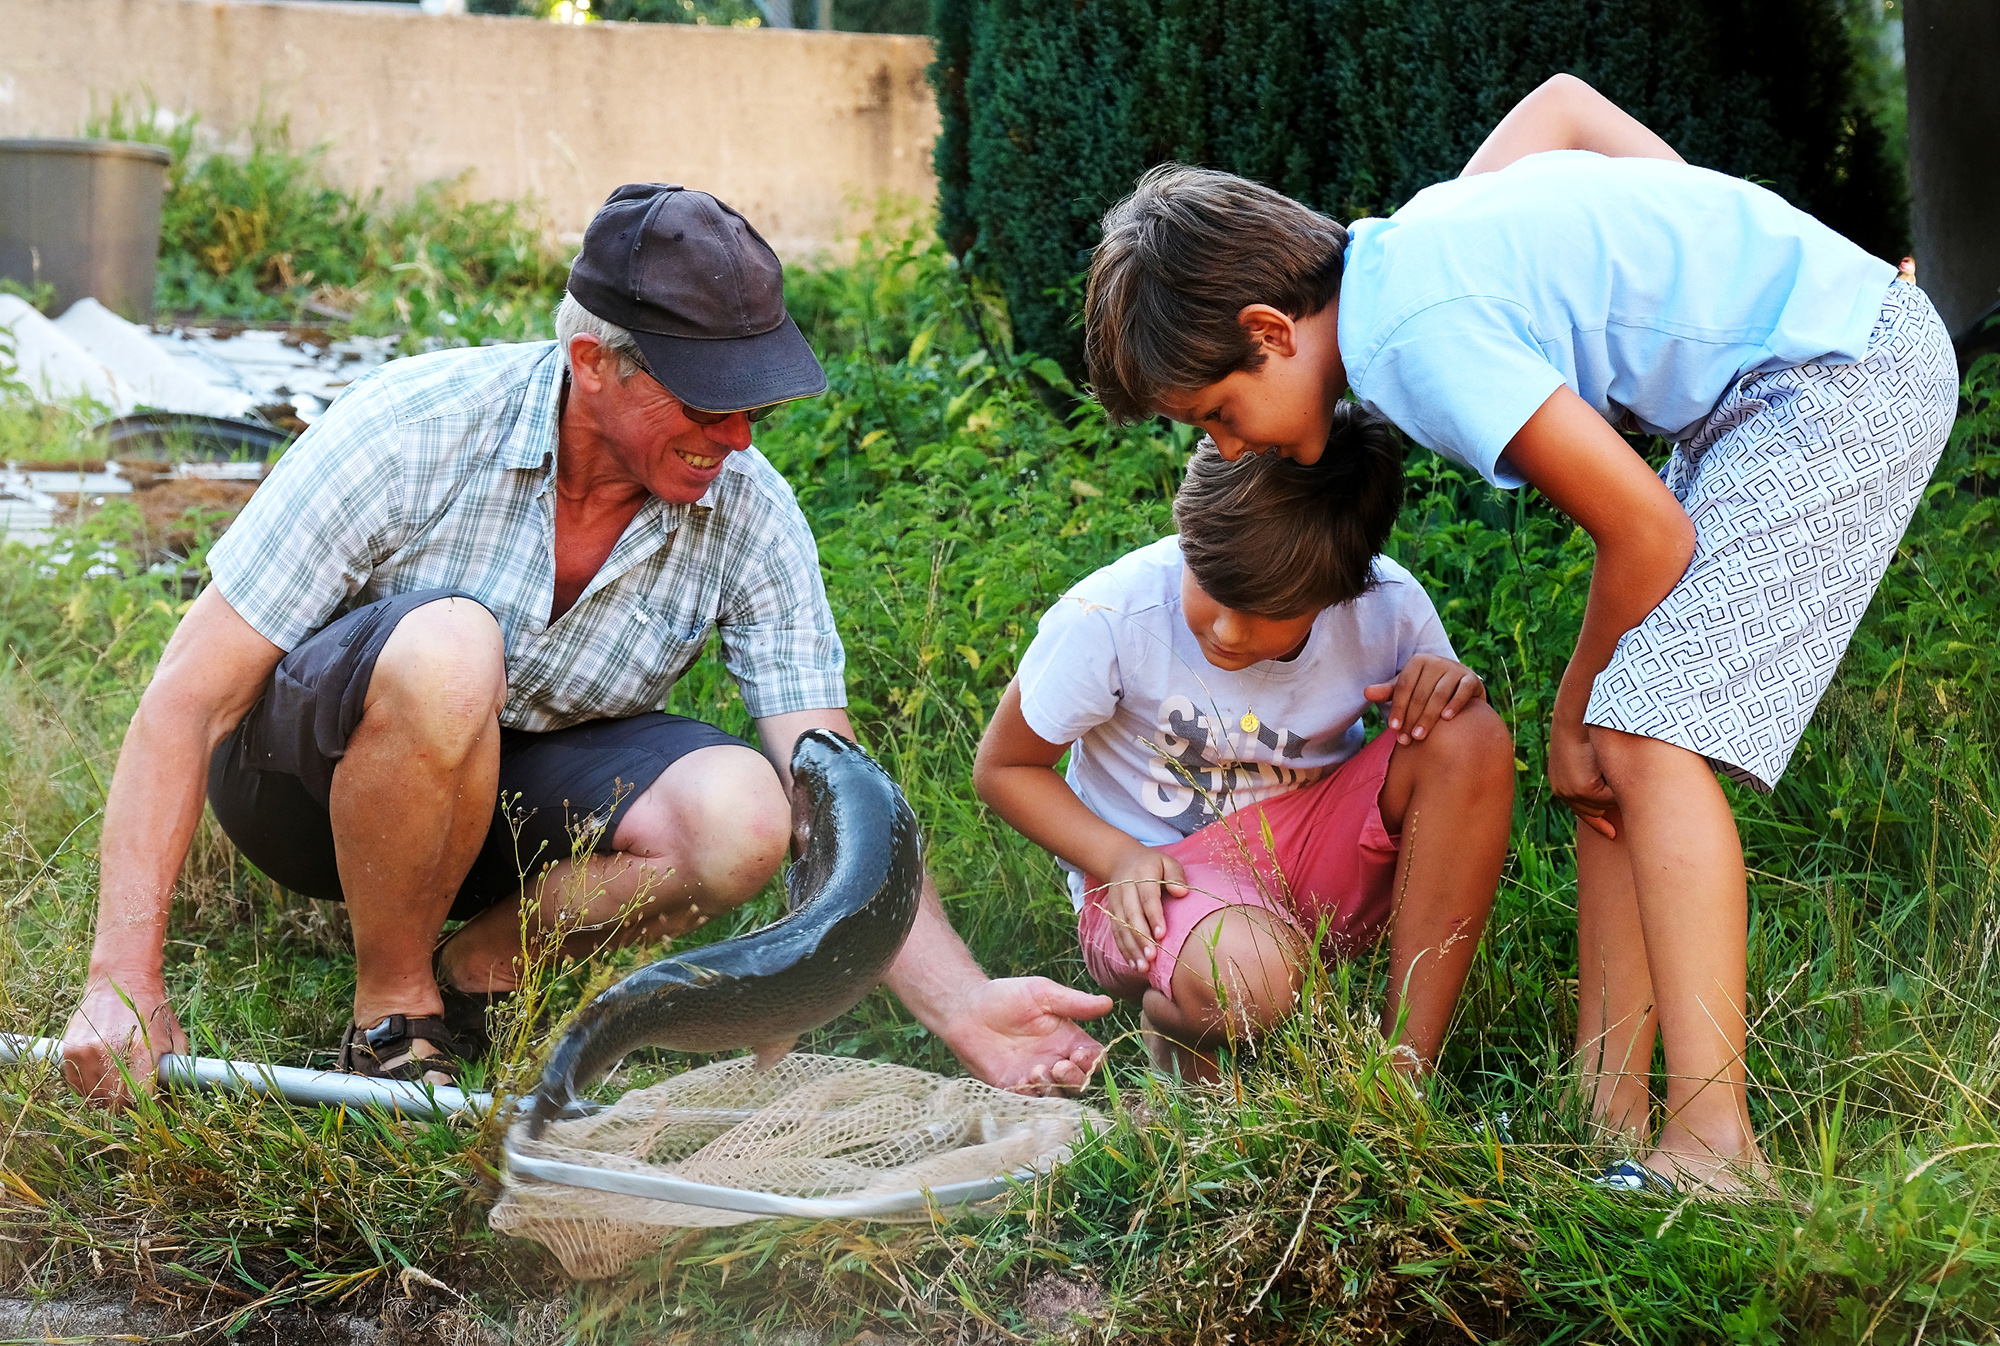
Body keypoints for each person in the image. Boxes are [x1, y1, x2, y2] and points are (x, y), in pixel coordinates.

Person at [1080, 75, 1958, 1192]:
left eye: (1217, 414)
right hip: (1779, 373)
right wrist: (1740, 250)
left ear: (1266, 331)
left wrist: (1568, 706)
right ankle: (1604, 1111)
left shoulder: (1409, 339)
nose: (1230, 448)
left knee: (1632, 737)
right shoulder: (1412, 241)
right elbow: (1562, 106)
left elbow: (1644, 529)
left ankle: (1713, 1144)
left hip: (1833, 379)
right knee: (1614, 764)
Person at [61, 182, 1111, 1103]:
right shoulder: (416, 425)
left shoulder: (748, 508)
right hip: (304, 795)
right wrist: (123, 981)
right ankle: (392, 1008)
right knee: (450, 648)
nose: (739, 437)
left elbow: (833, 800)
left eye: (756, 402)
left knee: (747, 808)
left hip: (509, 813)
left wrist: (963, 1002)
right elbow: (188, 699)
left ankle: (480, 964)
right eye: (706, 400)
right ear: (592, 362)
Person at [973, 409, 1512, 1081]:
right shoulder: (1113, 614)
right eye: (1211, 587)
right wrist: (1114, 855)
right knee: (1246, 979)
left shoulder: (1388, 606)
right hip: (1158, 875)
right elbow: (1003, 767)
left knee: (1467, 730)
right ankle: (1185, 1025)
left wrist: (1446, 686)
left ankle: (1402, 1073)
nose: (1227, 630)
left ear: (1340, 595)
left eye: (1265, 612)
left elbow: (1451, 763)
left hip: (1310, 853)